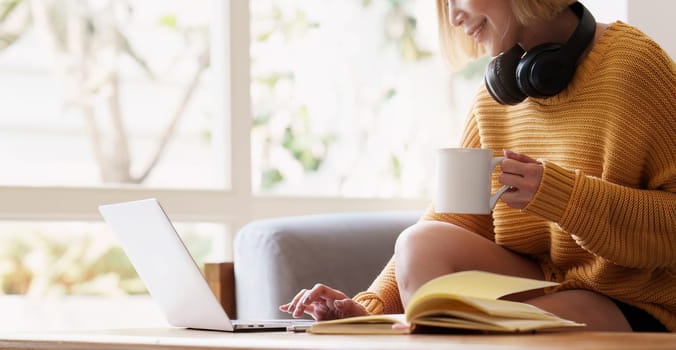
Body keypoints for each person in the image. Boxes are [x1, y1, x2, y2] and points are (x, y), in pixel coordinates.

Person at [280, 0, 676, 332]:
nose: (453, 17)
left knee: (468, 333)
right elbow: (452, 219)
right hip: (546, 285)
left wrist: (563, 196)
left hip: (629, 297)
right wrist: (368, 309)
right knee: (418, 242)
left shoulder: (633, 67)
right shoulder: (495, 99)